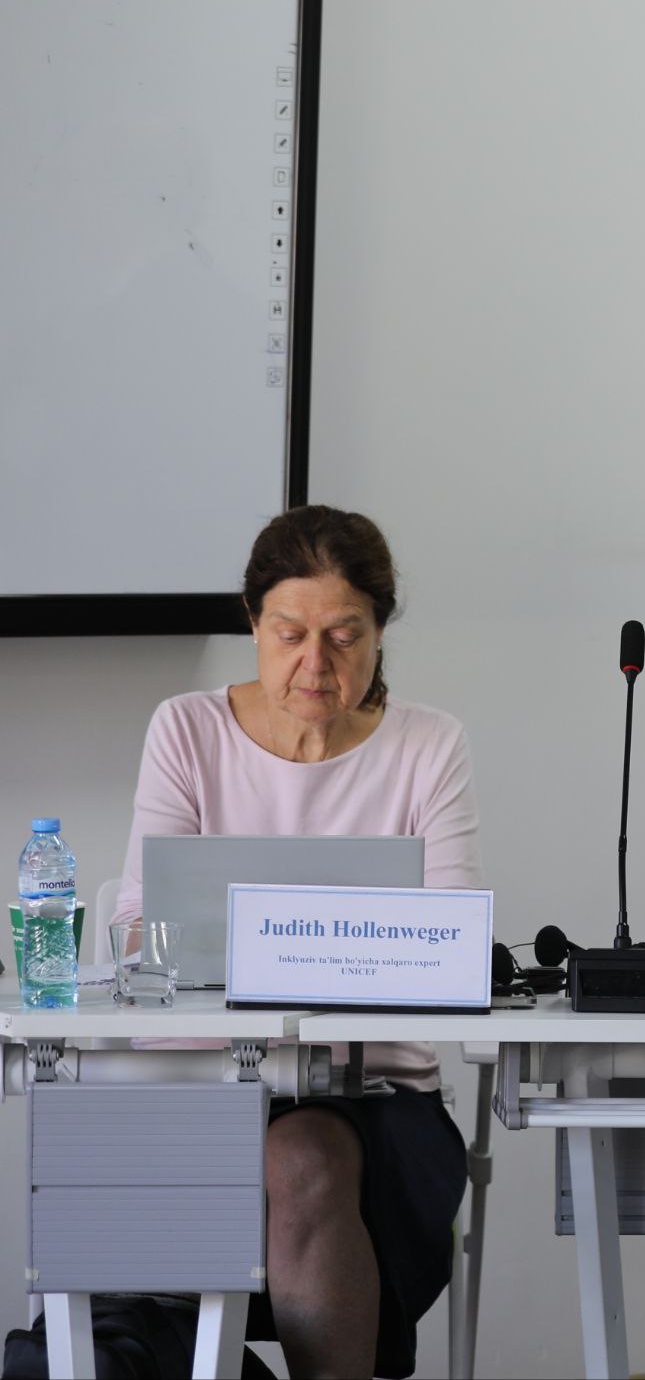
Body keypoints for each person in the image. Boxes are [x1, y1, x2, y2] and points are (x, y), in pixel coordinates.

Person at [113, 505, 480, 1380]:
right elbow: (138, 931)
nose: (316, 663)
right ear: (253, 623)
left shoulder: (428, 744)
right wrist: (333, 950)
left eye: (344, 636)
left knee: (305, 1152)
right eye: (290, 634)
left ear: (380, 632)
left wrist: (259, 947)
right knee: (108, 1158)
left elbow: (451, 939)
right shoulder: (187, 730)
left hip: (377, 1098)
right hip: (200, 1087)